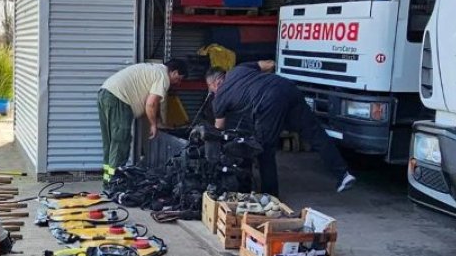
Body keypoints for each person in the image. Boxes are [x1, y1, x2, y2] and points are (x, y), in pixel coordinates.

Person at [205, 64, 355, 196]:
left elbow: (219, 128)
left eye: (210, 89)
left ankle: (270, 196)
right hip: (286, 87)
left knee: (264, 149)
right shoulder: (239, 69)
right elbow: (269, 64)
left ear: (216, 82)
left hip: (267, 102)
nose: (212, 93)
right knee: (315, 133)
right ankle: (343, 174)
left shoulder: (220, 96)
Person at [97, 59, 187, 183]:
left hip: (105, 93)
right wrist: (153, 125)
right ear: (175, 72)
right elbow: (151, 104)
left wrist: (159, 122)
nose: (178, 82)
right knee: (120, 142)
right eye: (179, 79)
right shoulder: (163, 77)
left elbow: (155, 105)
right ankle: (114, 183)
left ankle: (107, 180)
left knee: (110, 142)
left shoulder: (155, 70)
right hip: (119, 99)